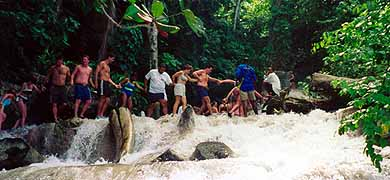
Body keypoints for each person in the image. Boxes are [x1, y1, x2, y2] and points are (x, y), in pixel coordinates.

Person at [95, 54, 121, 119]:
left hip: (106, 83)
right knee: (102, 98)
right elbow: (96, 72)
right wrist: (96, 82)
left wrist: (115, 85)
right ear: (109, 57)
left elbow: (108, 78)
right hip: (102, 82)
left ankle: (101, 114)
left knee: (108, 100)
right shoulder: (102, 63)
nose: (113, 60)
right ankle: (98, 115)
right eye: (112, 59)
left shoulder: (108, 67)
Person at [46, 56, 71, 122]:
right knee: (54, 103)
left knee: (64, 104)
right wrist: (45, 84)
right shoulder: (53, 68)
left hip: (62, 87)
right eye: (57, 61)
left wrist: (69, 84)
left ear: (62, 61)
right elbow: (48, 76)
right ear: (56, 61)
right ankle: (55, 118)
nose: (59, 62)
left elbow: (69, 77)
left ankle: (58, 114)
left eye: (60, 61)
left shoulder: (66, 68)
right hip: (55, 87)